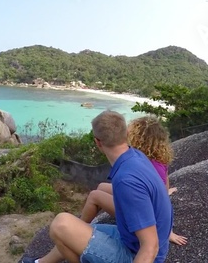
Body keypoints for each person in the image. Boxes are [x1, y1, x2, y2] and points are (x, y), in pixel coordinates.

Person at [20, 110, 173, 263]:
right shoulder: (136, 156)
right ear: (126, 134)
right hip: (129, 239)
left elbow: (150, 246)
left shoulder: (127, 180)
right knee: (72, 231)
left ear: (98, 142)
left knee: (60, 225)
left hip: (135, 254)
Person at [80, 115, 187, 246]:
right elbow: (163, 187)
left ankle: (79, 229)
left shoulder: (139, 161)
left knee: (94, 196)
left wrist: (167, 232)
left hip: (144, 212)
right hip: (145, 201)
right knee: (102, 187)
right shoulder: (158, 160)